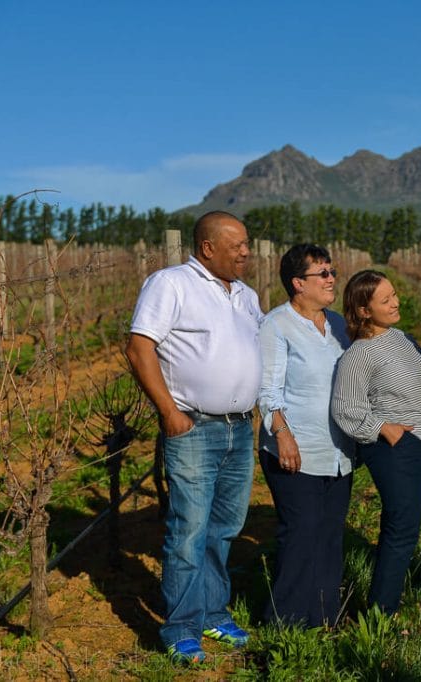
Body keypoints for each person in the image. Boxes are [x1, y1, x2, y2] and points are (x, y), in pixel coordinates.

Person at [125, 211, 261, 665]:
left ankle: (212, 614)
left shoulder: (246, 295)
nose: (247, 252)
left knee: (224, 529)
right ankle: (180, 626)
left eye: (246, 244)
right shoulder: (171, 283)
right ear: (208, 248)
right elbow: (139, 346)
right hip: (194, 426)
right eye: (238, 245)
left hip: (239, 427)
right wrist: (169, 411)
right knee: (188, 531)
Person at [331, 270, 421, 615]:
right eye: (385, 300)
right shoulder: (359, 354)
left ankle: (383, 606)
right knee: (401, 528)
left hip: (416, 442)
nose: (395, 303)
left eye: (394, 295)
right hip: (393, 447)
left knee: (404, 524)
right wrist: (384, 428)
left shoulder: (401, 338)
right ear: (364, 311)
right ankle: (381, 613)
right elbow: (344, 407)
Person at [257, 244, 354, 628]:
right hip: (295, 449)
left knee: (330, 537)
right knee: (300, 536)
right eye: (323, 274)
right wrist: (282, 434)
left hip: (338, 452)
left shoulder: (339, 326)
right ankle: (286, 623)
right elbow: (267, 389)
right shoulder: (276, 325)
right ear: (299, 283)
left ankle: (324, 616)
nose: (332, 279)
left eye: (332, 271)